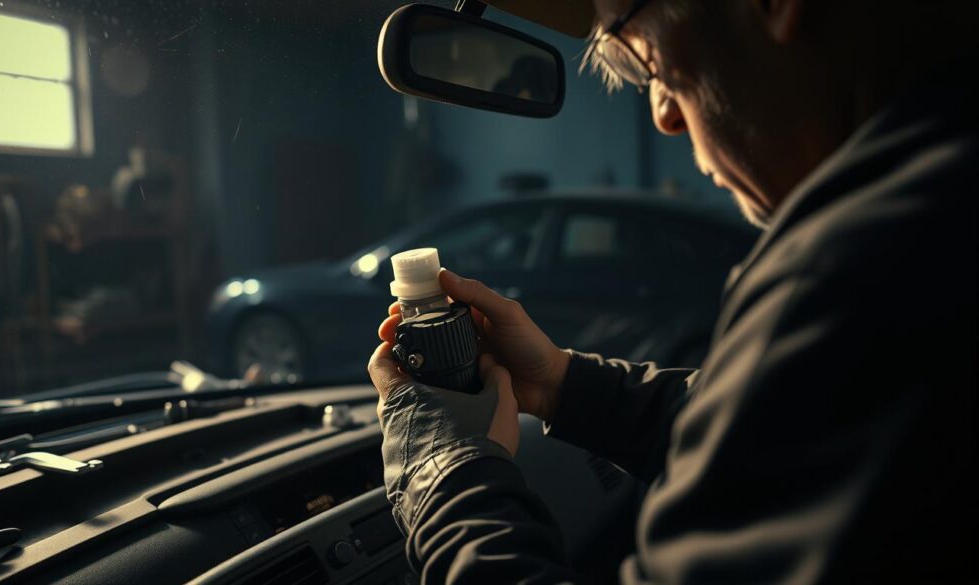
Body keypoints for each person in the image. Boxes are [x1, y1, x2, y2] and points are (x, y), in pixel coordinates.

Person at [368, 0, 977, 582]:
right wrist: (559, 382)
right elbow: (790, 429)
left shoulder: (852, 275)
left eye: (648, 63)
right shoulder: (933, 227)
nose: (663, 113)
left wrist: (439, 475)